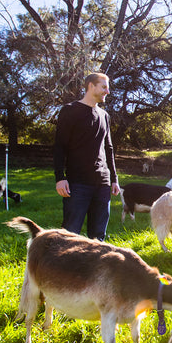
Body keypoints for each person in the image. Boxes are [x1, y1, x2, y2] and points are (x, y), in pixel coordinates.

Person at [53, 72, 121, 239]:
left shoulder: (105, 116)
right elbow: (59, 146)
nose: (108, 91)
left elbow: (109, 148)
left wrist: (114, 179)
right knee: (69, 233)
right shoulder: (69, 111)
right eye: (104, 87)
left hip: (102, 184)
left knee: (98, 236)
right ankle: (64, 265)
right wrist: (60, 178)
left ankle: (94, 265)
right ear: (91, 86)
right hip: (77, 184)